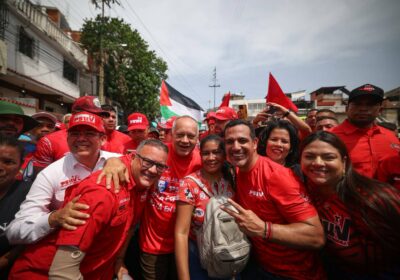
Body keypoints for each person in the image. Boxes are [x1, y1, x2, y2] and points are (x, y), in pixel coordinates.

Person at [9, 139, 169, 280]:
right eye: (147, 162)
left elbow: (129, 228)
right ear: (133, 157)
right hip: (41, 273)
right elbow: (62, 272)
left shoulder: (142, 181)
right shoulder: (103, 192)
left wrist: (119, 262)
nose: (153, 170)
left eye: (160, 166)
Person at [221, 119, 325, 280]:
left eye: (242, 140)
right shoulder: (238, 170)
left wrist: (263, 228)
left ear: (255, 143)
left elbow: (316, 237)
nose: (235, 147)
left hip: (294, 274)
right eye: (229, 142)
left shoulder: (277, 176)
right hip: (258, 267)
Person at [6, 111, 120, 245]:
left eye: (89, 133)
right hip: (67, 250)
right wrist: (54, 218)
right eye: (75, 133)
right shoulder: (50, 173)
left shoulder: (120, 161)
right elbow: (15, 231)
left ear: (103, 139)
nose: (81, 138)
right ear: (67, 138)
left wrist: (119, 161)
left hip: (110, 247)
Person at [300, 131, 400, 278]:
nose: (318, 163)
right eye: (309, 156)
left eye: (328, 157)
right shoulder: (304, 194)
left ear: (344, 162)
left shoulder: (374, 198)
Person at [139, 115, 202, 280]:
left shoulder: (203, 161)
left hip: (188, 245)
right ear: (171, 135)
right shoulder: (160, 154)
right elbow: (132, 161)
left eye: (191, 136)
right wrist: (114, 163)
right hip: (153, 245)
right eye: (180, 135)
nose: (185, 140)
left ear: (198, 137)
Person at [175, 135, 235, 279]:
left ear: (224, 154)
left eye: (216, 152)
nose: (211, 157)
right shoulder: (189, 184)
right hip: (198, 256)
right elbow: (181, 233)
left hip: (230, 255)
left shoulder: (232, 179)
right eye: (206, 153)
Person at [330, 84, 399, 178]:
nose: (363, 109)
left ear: (380, 110)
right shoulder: (329, 137)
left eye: (370, 104)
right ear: (347, 109)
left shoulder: (391, 137)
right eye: (357, 104)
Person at [33, 96, 110, 170]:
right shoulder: (48, 141)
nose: (99, 119)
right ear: (76, 114)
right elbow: (43, 176)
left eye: (100, 115)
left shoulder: (103, 138)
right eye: (93, 115)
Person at [0, 135, 31, 278]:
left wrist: (5, 260)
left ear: (20, 165)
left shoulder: (29, 194)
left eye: (8, 162)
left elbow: (30, 238)